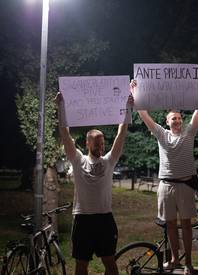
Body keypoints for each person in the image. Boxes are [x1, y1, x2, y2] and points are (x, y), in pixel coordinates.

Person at [130, 76, 198, 275]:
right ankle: (174, 260)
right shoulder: (162, 134)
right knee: (170, 225)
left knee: (186, 225)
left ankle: (188, 263)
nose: (177, 120)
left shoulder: (189, 132)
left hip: (186, 185)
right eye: (174, 118)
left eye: (179, 118)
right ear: (167, 121)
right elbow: (144, 115)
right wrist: (135, 93)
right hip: (166, 186)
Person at [55, 92, 133, 275]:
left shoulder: (109, 161)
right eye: (97, 144)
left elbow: (121, 132)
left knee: (110, 264)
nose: (101, 147)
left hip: (105, 219)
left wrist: (128, 107)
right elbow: (64, 133)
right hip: (83, 219)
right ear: (87, 143)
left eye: (103, 144)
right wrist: (61, 107)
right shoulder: (77, 160)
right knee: (81, 266)